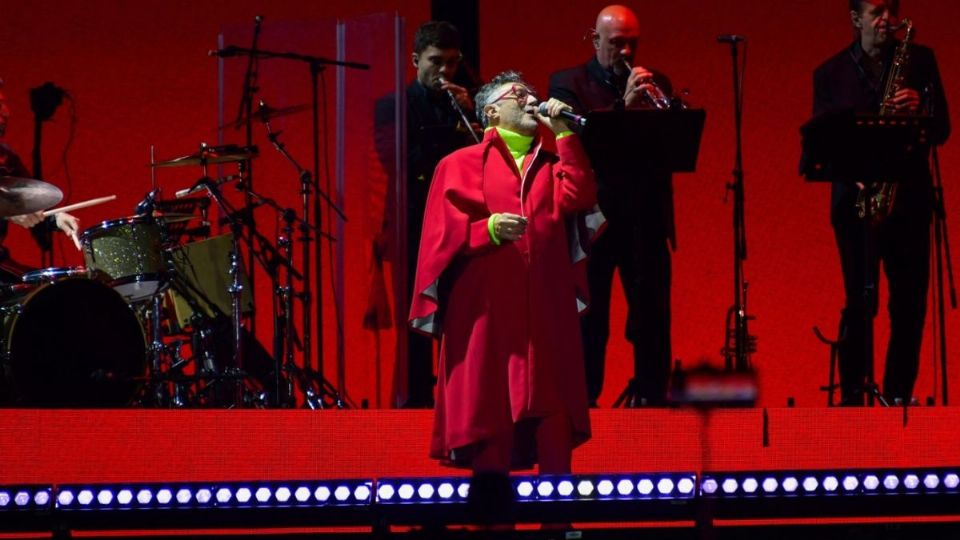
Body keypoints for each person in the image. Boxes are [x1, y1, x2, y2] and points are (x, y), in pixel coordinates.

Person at [409, 71, 595, 478]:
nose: (531, 100)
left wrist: (565, 135)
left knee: (553, 418)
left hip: (545, 313)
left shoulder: (551, 164)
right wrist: (486, 230)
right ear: (491, 112)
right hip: (486, 315)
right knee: (490, 415)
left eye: (533, 93)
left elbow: (580, 196)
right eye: (518, 95)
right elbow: (438, 241)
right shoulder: (457, 164)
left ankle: (558, 527)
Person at [809, 0, 949, 405]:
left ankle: (898, 397)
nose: (886, 19)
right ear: (856, 20)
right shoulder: (830, 73)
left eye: (891, 10)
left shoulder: (920, 62)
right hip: (855, 204)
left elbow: (943, 129)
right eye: (876, 12)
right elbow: (820, 143)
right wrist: (852, 173)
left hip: (910, 201)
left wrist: (922, 110)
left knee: (909, 305)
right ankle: (855, 397)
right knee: (860, 301)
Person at [549, 5, 676, 406]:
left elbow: (671, 148)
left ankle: (653, 401)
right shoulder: (566, 84)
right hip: (595, 223)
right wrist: (624, 106)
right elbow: (583, 149)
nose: (625, 53)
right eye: (616, 43)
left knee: (652, 318)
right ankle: (585, 408)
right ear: (595, 39)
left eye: (631, 44)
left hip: (646, 221)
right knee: (591, 322)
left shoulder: (658, 82)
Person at [374, 21, 478, 408]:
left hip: (458, 221)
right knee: (414, 317)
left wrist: (470, 116)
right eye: (436, 61)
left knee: (460, 311)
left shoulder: (467, 100)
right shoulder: (392, 105)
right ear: (417, 60)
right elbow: (399, 161)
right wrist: (452, 140)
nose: (445, 72)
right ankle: (415, 400)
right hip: (412, 222)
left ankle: (459, 397)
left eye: (452, 62)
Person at [0, 78, 80, 282]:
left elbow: (29, 199)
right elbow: (10, 206)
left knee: (56, 289)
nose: (6, 111)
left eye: (3, 103)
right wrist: (8, 213)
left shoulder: (6, 158)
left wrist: (55, 218)